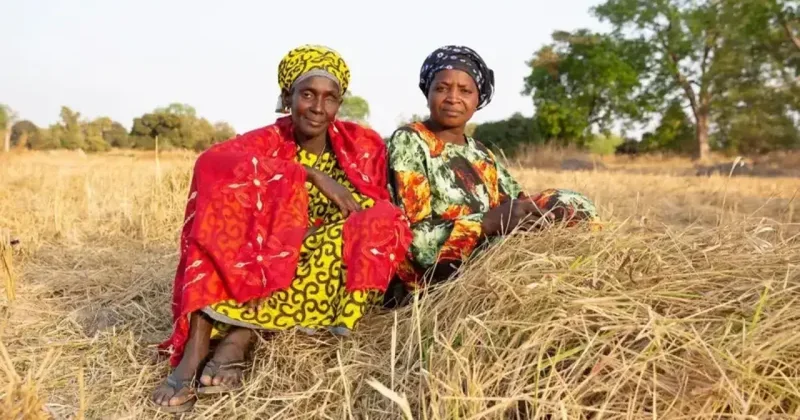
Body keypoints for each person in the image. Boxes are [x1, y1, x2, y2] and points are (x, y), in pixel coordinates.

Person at [151, 45, 412, 412]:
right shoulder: (268, 141)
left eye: (330, 98)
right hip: (266, 252)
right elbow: (211, 163)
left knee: (382, 224)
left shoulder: (361, 145)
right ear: (288, 96)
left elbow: (377, 208)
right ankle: (195, 351)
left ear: (340, 102)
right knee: (215, 219)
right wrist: (308, 174)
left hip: (320, 257)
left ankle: (241, 335)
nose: (318, 108)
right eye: (307, 94)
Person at [383, 45, 599, 305]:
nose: (453, 98)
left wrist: (535, 216)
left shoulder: (481, 154)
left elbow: (517, 203)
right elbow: (414, 241)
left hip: (487, 257)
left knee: (572, 204)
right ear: (427, 92)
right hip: (435, 276)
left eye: (465, 90)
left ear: (478, 98)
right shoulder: (411, 141)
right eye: (442, 88)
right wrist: (487, 223)